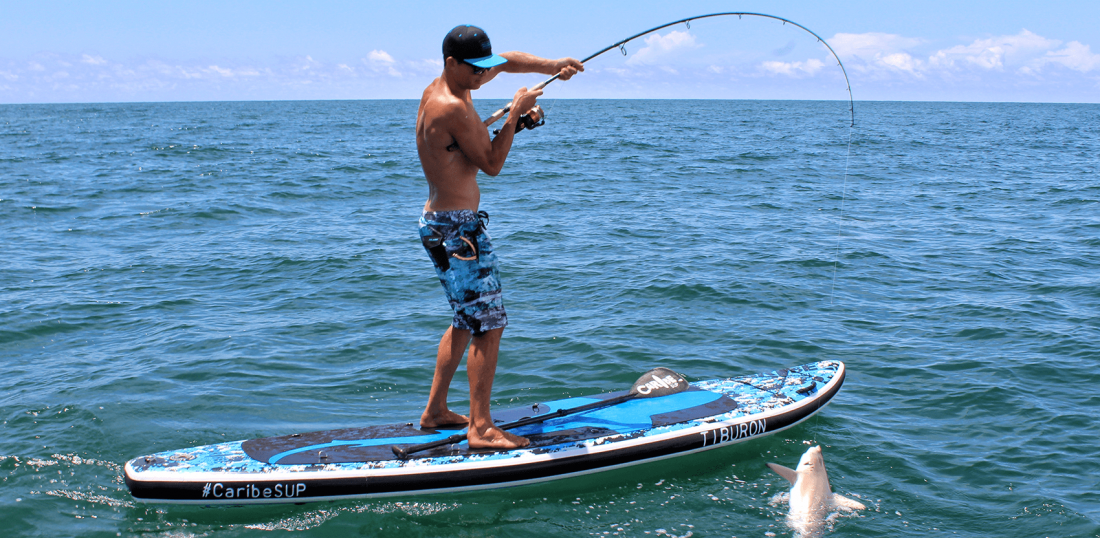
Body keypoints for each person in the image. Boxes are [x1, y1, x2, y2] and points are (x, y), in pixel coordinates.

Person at [415, 25, 582, 449]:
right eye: (475, 70)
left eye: (482, 69)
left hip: (441, 223)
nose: (482, 76)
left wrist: (553, 67)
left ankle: (435, 411)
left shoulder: (452, 83)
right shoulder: (450, 104)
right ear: (453, 63)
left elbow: (505, 61)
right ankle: (481, 428)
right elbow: (490, 163)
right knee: (489, 325)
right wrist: (513, 116)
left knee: (465, 321)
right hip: (459, 232)